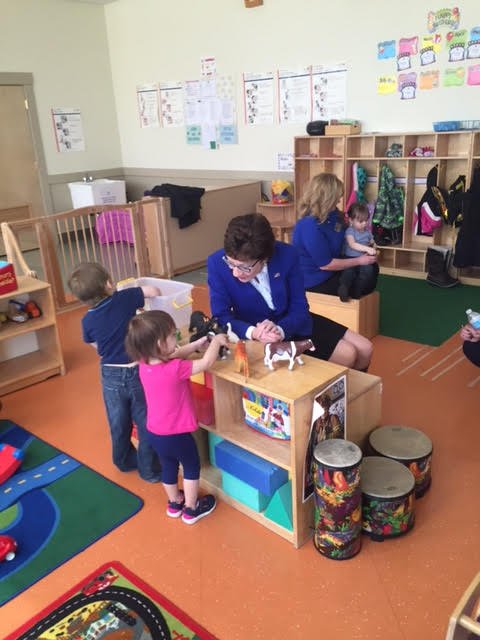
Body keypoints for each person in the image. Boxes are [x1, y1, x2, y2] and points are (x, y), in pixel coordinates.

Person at [207, 213, 372, 370]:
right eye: (231, 263)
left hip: (291, 322)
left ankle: (349, 390)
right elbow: (221, 316)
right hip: (254, 332)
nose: (235, 273)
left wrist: (280, 330)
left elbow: (299, 306)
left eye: (244, 267)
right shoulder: (216, 263)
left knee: (365, 348)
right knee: (348, 354)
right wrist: (254, 332)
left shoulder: (287, 254)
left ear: (264, 258)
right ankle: (335, 388)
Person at [125, 310, 229, 524]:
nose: (177, 338)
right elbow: (206, 363)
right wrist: (217, 342)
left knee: (169, 466)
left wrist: (196, 344)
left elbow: (174, 354)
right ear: (160, 344)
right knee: (191, 466)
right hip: (177, 434)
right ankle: (191, 508)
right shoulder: (175, 369)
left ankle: (174, 503)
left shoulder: (144, 363)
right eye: (173, 336)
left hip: (155, 432)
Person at [67, 262, 162, 482]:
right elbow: (153, 291)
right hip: (137, 370)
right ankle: (149, 471)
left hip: (110, 374)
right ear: (109, 284)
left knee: (118, 422)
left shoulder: (87, 320)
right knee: (146, 421)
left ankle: (124, 460)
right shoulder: (125, 298)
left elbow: (95, 345)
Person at [292, 172, 378, 297]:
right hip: (315, 279)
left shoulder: (333, 214)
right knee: (360, 280)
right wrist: (359, 260)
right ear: (328, 198)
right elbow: (326, 265)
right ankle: (352, 302)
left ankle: (356, 300)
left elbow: (348, 232)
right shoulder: (309, 226)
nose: (339, 200)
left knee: (372, 268)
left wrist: (365, 244)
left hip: (334, 266)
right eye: (337, 197)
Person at [337, 202, 378, 302]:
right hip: (349, 258)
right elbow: (352, 244)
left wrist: (373, 247)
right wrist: (367, 249)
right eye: (360, 221)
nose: (364, 223)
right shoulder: (350, 231)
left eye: (366, 220)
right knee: (348, 273)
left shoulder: (367, 233)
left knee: (368, 272)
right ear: (351, 220)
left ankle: (357, 291)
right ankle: (343, 288)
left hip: (363, 259)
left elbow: (372, 242)